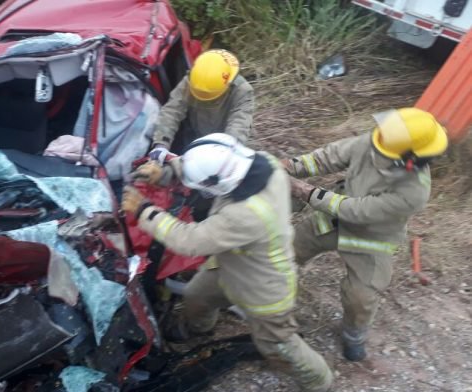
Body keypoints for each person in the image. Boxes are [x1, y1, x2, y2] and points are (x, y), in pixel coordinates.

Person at [124, 133, 333, 392]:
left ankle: (319, 380)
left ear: (220, 183)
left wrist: (143, 210)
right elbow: (212, 165)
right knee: (197, 295)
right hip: (231, 263)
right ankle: (199, 329)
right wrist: (169, 172)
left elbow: (189, 240)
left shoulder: (246, 214)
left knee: (277, 343)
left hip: (263, 285)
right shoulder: (261, 164)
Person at [283, 108, 447, 362]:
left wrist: (306, 192)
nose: (377, 140)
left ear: (410, 158)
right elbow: (328, 157)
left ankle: (353, 335)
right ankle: (256, 298)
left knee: (361, 297)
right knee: (284, 253)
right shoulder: (378, 141)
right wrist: (290, 166)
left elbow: (357, 211)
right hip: (332, 221)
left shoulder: (414, 191)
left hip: (371, 238)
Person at [148, 49, 254, 163]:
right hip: (194, 136)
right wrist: (161, 144)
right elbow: (172, 111)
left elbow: (239, 125)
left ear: (227, 84)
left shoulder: (242, 91)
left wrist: (226, 151)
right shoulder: (191, 81)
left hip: (224, 141)